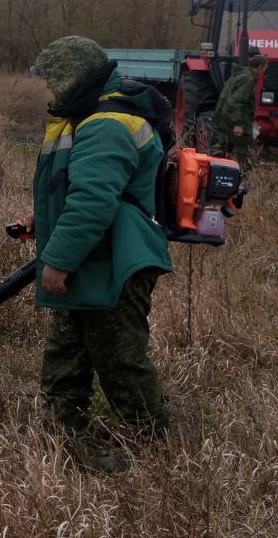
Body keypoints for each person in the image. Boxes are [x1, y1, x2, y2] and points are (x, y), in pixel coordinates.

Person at [23, 36, 174, 455]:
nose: (50, 91)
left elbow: (93, 202)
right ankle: (62, 434)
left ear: (72, 78)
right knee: (67, 349)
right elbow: (78, 186)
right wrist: (41, 219)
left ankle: (153, 447)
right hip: (97, 257)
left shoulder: (106, 124)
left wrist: (57, 260)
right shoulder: (93, 115)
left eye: (53, 81)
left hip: (116, 263)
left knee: (119, 359)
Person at [211, 47, 266, 174]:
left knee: (221, 149)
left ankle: (215, 171)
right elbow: (236, 102)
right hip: (234, 121)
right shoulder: (247, 79)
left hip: (225, 119)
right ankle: (246, 178)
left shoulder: (241, 74)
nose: (264, 72)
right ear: (260, 67)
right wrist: (238, 125)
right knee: (244, 151)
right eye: (264, 69)